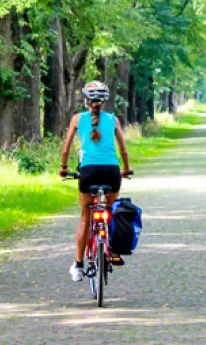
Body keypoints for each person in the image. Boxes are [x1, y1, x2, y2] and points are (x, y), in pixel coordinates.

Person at [59, 81, 132, 282]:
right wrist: (125, 169)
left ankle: (79, 265)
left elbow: (65, 150)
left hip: (88, 172)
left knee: (85, 217)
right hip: (111, 171)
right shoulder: (113, 120)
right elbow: (123, 150)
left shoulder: (77, 119)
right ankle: (114, 251)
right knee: (112, 210)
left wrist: (64, 169)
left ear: (86, 101)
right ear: (104, 102)